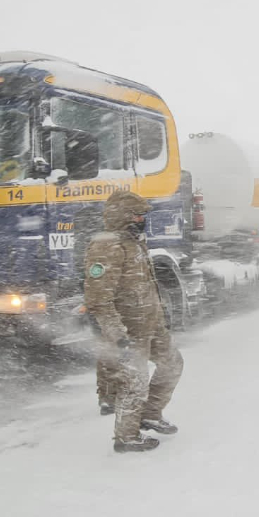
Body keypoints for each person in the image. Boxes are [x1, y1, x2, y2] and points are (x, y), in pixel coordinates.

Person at [85, 191, 184, 453]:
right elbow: (98, 299)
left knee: (172, 364)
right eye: (136, 215)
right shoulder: (107, 247)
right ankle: (126, 437)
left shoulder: (134, 241)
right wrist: (117, 334)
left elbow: (145, 285)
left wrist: (160, 318)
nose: (142, 219)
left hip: (151, 324)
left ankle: (150, 414)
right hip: (129, 330)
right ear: (121, 216)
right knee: (134, 381)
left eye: (143, 215)